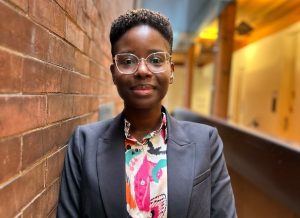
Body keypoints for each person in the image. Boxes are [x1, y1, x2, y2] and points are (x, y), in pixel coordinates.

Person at [57, 8, 236, 218]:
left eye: (156, 60)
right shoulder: (84, 143)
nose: (142, 70)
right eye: (128, 61)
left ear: (171, 71)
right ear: (114, 73)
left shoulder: (206, 141)